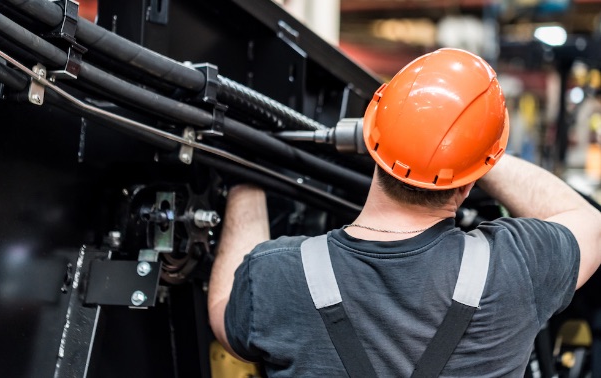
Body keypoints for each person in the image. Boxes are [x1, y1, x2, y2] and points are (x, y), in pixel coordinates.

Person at [207, 48, 601, 376]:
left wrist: (247, 178)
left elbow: (223, 311)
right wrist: (467, 148)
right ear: (470, 180)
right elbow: (589, 223)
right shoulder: (516, 268)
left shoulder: (276, 275)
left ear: (372, 139)